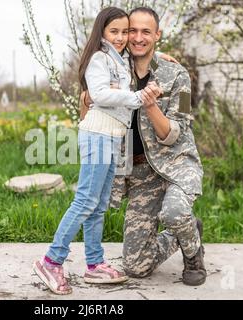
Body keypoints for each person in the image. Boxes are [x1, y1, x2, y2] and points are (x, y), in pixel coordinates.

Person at [33, 7, 167, 295]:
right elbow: (100, 94)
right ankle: (51, 260)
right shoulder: (99, 58)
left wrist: (162, 57)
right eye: (114, 32)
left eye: (124, 32)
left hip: (111, 137)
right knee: (85, 201)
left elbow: (139, 60)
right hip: (97, 135)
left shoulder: (118, 59)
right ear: (102, 33)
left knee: (99, 204)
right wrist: (137, 97)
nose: (121, 37)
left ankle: (94, 265)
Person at [85, 7, 207, 287]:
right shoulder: (113, 68)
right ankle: (185, 233)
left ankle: (193, 253)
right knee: (136, 266)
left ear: (157, 35)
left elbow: (178, 130)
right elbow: (94, 89)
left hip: (177, 165)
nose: (138, 37)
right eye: (132, 31)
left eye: (145, 32)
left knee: (175, 212)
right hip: (141, 173)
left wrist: (151, 106)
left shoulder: (179, 77)